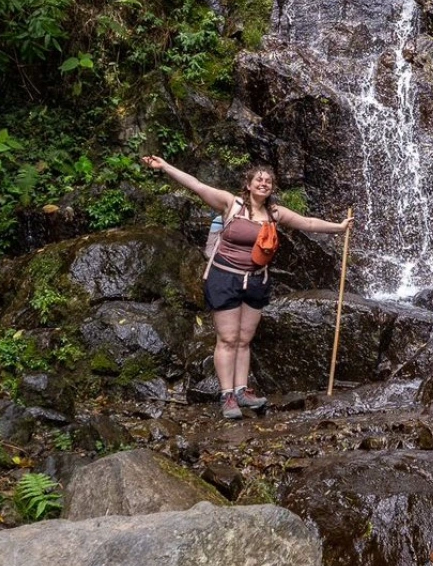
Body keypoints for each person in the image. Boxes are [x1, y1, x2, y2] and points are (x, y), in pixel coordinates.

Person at [141, 155, 349, 420]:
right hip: (225, 278)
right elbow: (196, 185)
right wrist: (166, 167)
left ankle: (241, 390)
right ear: (248, 184)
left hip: (256, 281)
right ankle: (226, 395)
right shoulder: (231, 204)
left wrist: (339, 228)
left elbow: (307, 223)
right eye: (258, 179)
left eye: (268, 181)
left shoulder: (274, 213)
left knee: (244, 339)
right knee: (227, 338)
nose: (264, 183)